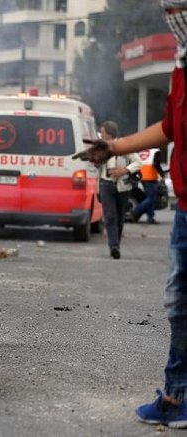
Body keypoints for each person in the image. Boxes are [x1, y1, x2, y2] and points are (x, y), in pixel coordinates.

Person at [74, 1, 187, 427]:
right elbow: (171, 127)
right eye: (172, 10)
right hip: (186, 213)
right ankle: (177, 398)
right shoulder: (181, 68)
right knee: (180, 304)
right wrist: (115, 149)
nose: (175, 18)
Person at [96, 121, 141, 260]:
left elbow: (138, 163)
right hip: (106, 184)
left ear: (109, 133)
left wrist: (124, 170)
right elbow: (95, 166)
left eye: (103, 132)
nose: (101, 134)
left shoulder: (124, 145)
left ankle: (116, 244)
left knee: (120, 218)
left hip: (123, 186)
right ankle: (114, 246)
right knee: (110, 217)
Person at [131, 148, 166, 224]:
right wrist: (162, 175)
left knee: (150, 198)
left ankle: (150, 218)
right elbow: (156, 164)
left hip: (142, 176)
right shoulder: (155, 151)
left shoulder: (141, 151)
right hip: (150, 177)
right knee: (152, 198)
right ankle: (136, 210)